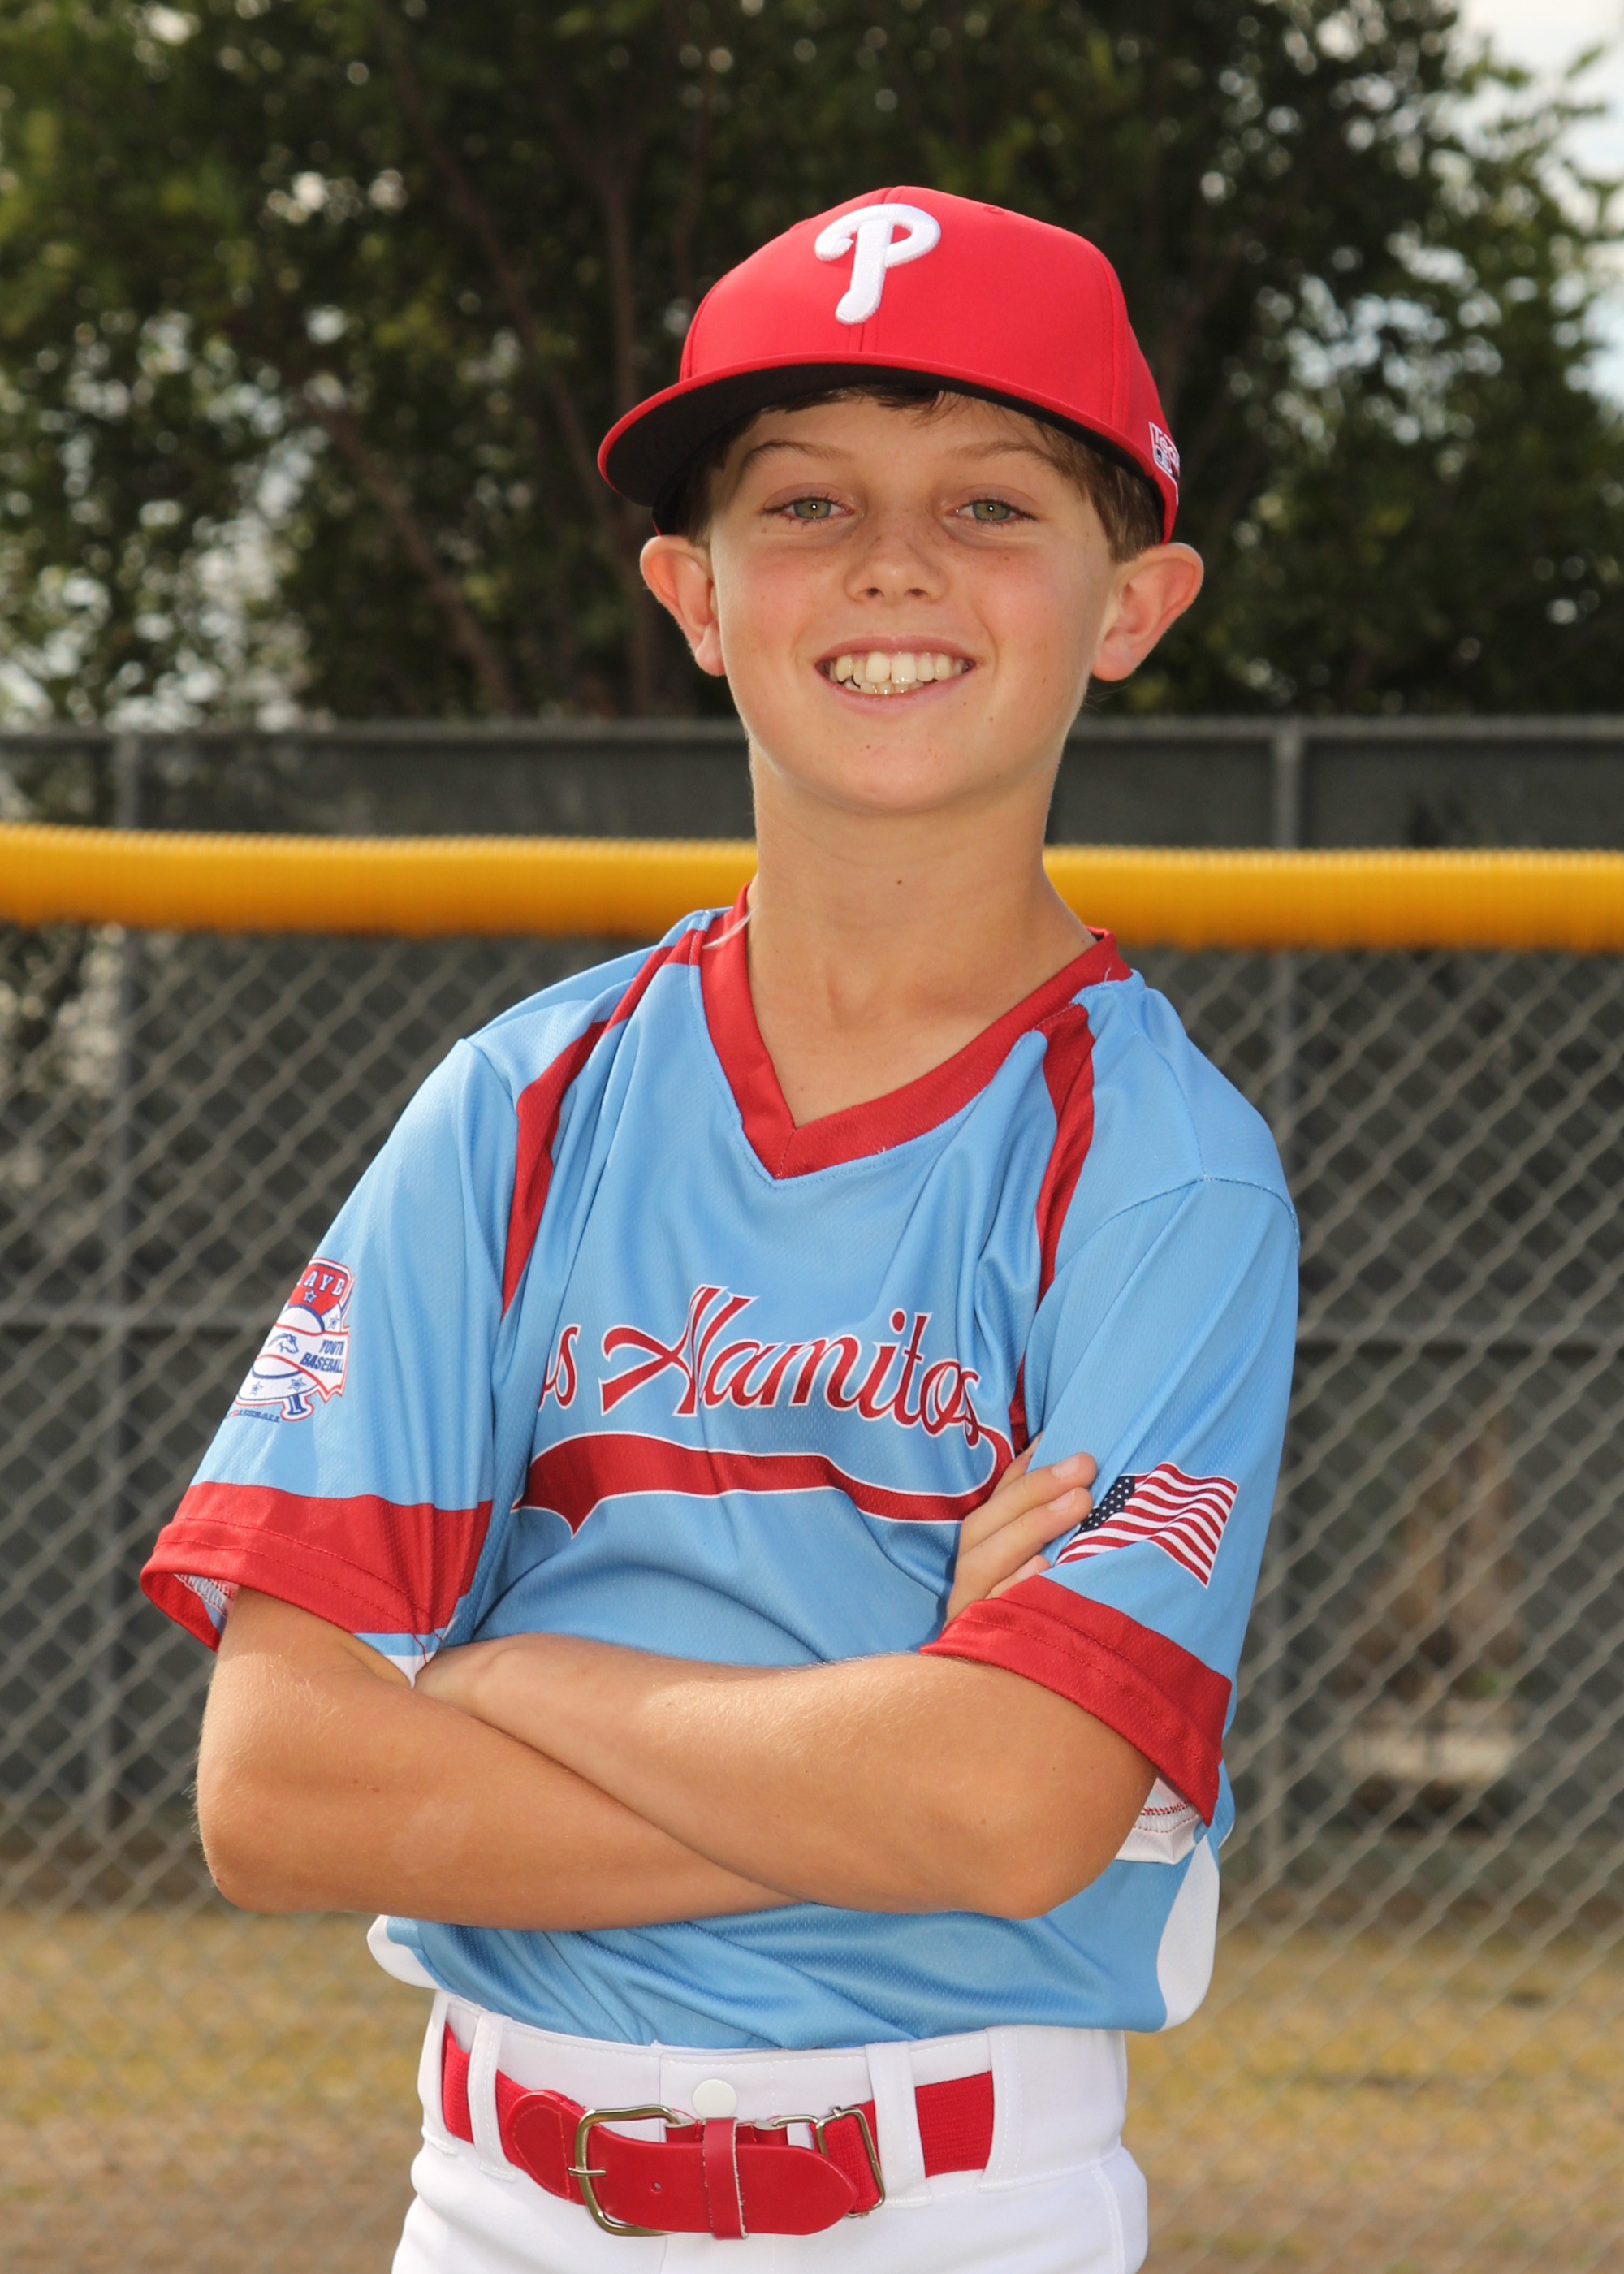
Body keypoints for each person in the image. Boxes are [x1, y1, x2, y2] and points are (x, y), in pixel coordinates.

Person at [142, 187, 1297, 2272]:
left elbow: (1009, 1807)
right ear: (693, 592)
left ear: (1131, 602)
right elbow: (279, 1789)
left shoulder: (1163, 1170)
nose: (891, 564)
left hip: (952, 2208)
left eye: (990, 506)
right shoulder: (519, 1108)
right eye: (804, 502)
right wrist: (883, 1732)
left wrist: (504, 1670)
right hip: (492, 2202)